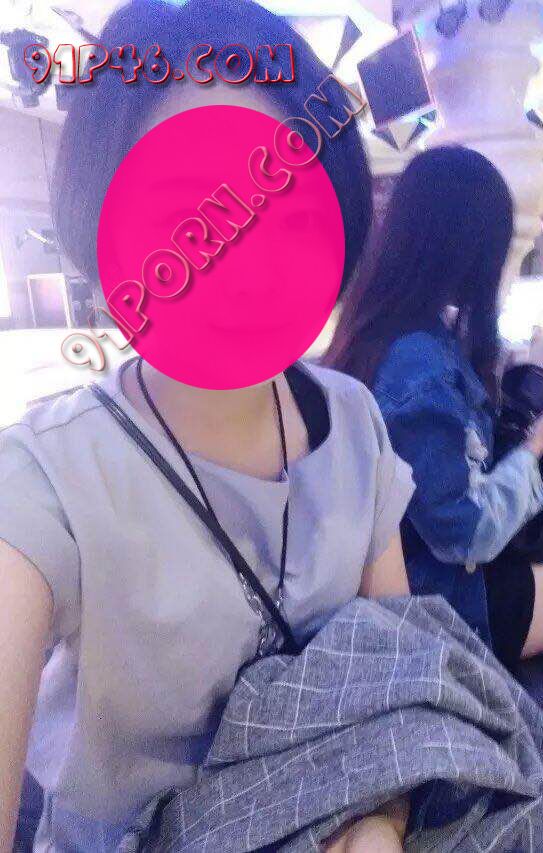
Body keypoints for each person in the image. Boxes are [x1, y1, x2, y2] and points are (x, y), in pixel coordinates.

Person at [0, 2, 417, 851]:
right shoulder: (48, 480)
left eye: (286, 215)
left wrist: (381, 821)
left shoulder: (353, 425)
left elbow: (401, 691)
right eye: (192, 215)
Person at [326, 146, 543, 668]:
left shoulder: (390, 330)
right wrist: (538, 442)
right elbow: (465, 534)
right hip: (460, 599)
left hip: (460, 568)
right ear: (475, 249)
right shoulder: (417, 361)